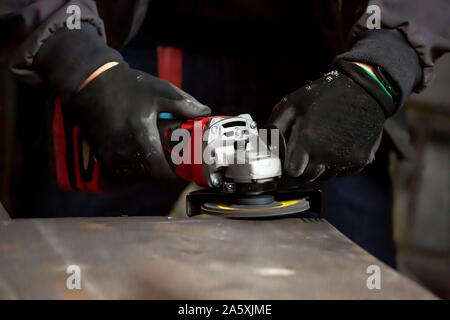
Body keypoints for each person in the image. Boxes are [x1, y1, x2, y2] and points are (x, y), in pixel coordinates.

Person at [0, 1, 448, 267]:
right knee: (70, 269)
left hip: (328, 70)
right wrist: (79, 61)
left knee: (356, 277)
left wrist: (381, 69)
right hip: (123, 56)